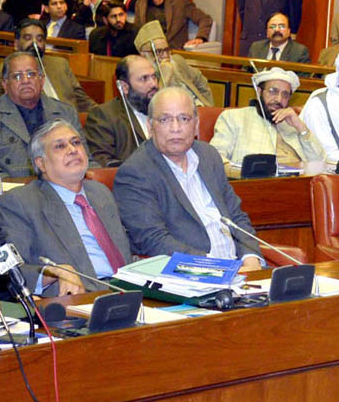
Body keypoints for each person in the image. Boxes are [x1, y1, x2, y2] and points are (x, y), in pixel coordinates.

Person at [112, 87, 263, 269]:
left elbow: (235, 216)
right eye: (165, 119)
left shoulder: (209, 156)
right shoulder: (136, 172)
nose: (176, 128)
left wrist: (251, 258)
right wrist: (214, 267)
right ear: (150, 127)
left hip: (239, 268)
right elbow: (153, 240)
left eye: (184, 119)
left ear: (196, 125)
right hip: (193, 274)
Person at [0, 120, 131, 295]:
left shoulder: (101, 192)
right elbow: (9, 270)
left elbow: (127, 256)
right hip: (80, 298)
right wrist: (52, 273)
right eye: (60, 146)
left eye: (76, 142)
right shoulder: (21, 202)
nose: (73, 150)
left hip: (130, 292)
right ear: (41, 163)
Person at [0, 51, 83, 177]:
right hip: (12, 189)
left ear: (42, 81)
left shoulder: (66, 112)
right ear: (5, 84)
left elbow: (85, 159)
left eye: (31, 74)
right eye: (17, 76)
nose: (25, 81)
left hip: (60, 188)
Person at [210, 67, 324, 174]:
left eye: (285, 95)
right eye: (273, 91)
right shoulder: (234, 117)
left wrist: (301, 127)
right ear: (259, 92)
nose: (279, 99)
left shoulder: (292, 125)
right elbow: (214, 158)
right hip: (255, 186)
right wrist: (242, 173)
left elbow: (320, 164)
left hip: (297, 184)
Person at [0, 19, 95, 112]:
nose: (34, 44)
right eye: (27, 38)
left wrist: (103, 115)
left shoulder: (61, 64)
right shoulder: (3, 72)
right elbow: (11, 112)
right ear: (16, 44)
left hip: (72, 124)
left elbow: (83, 101)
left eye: (40, 39)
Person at [84, 55, 158, 166]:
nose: (153, 84)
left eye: (154, 77)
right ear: (124, 87)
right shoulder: (104, 116)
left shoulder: (166, 111)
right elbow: (103, 161)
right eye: (144, 79)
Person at [133, 20, 214, 106]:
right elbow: (153, 107)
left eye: (166, 50)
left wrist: (208, 105)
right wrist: (165, 77)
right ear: (143, 55)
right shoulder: (141, 76)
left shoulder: (177, 61)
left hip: (198, 108)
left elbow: (201, 80)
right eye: (158, 52)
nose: (165, 56)